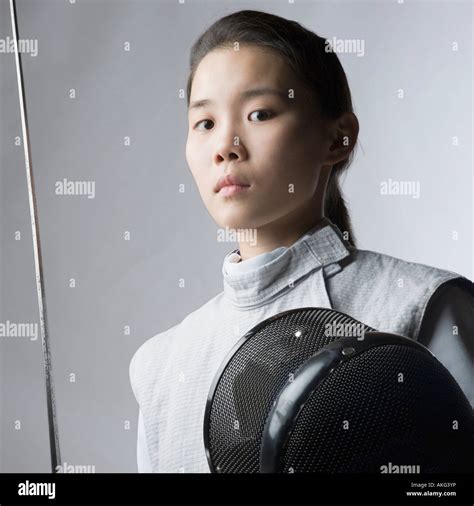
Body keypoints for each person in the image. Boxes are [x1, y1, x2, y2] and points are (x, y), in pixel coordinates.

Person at [129, 9, 474, 473]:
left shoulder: (424, 302)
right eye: (205, 123)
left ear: (338, 138)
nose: (225, 146)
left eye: (260, 114)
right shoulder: (161, 366)